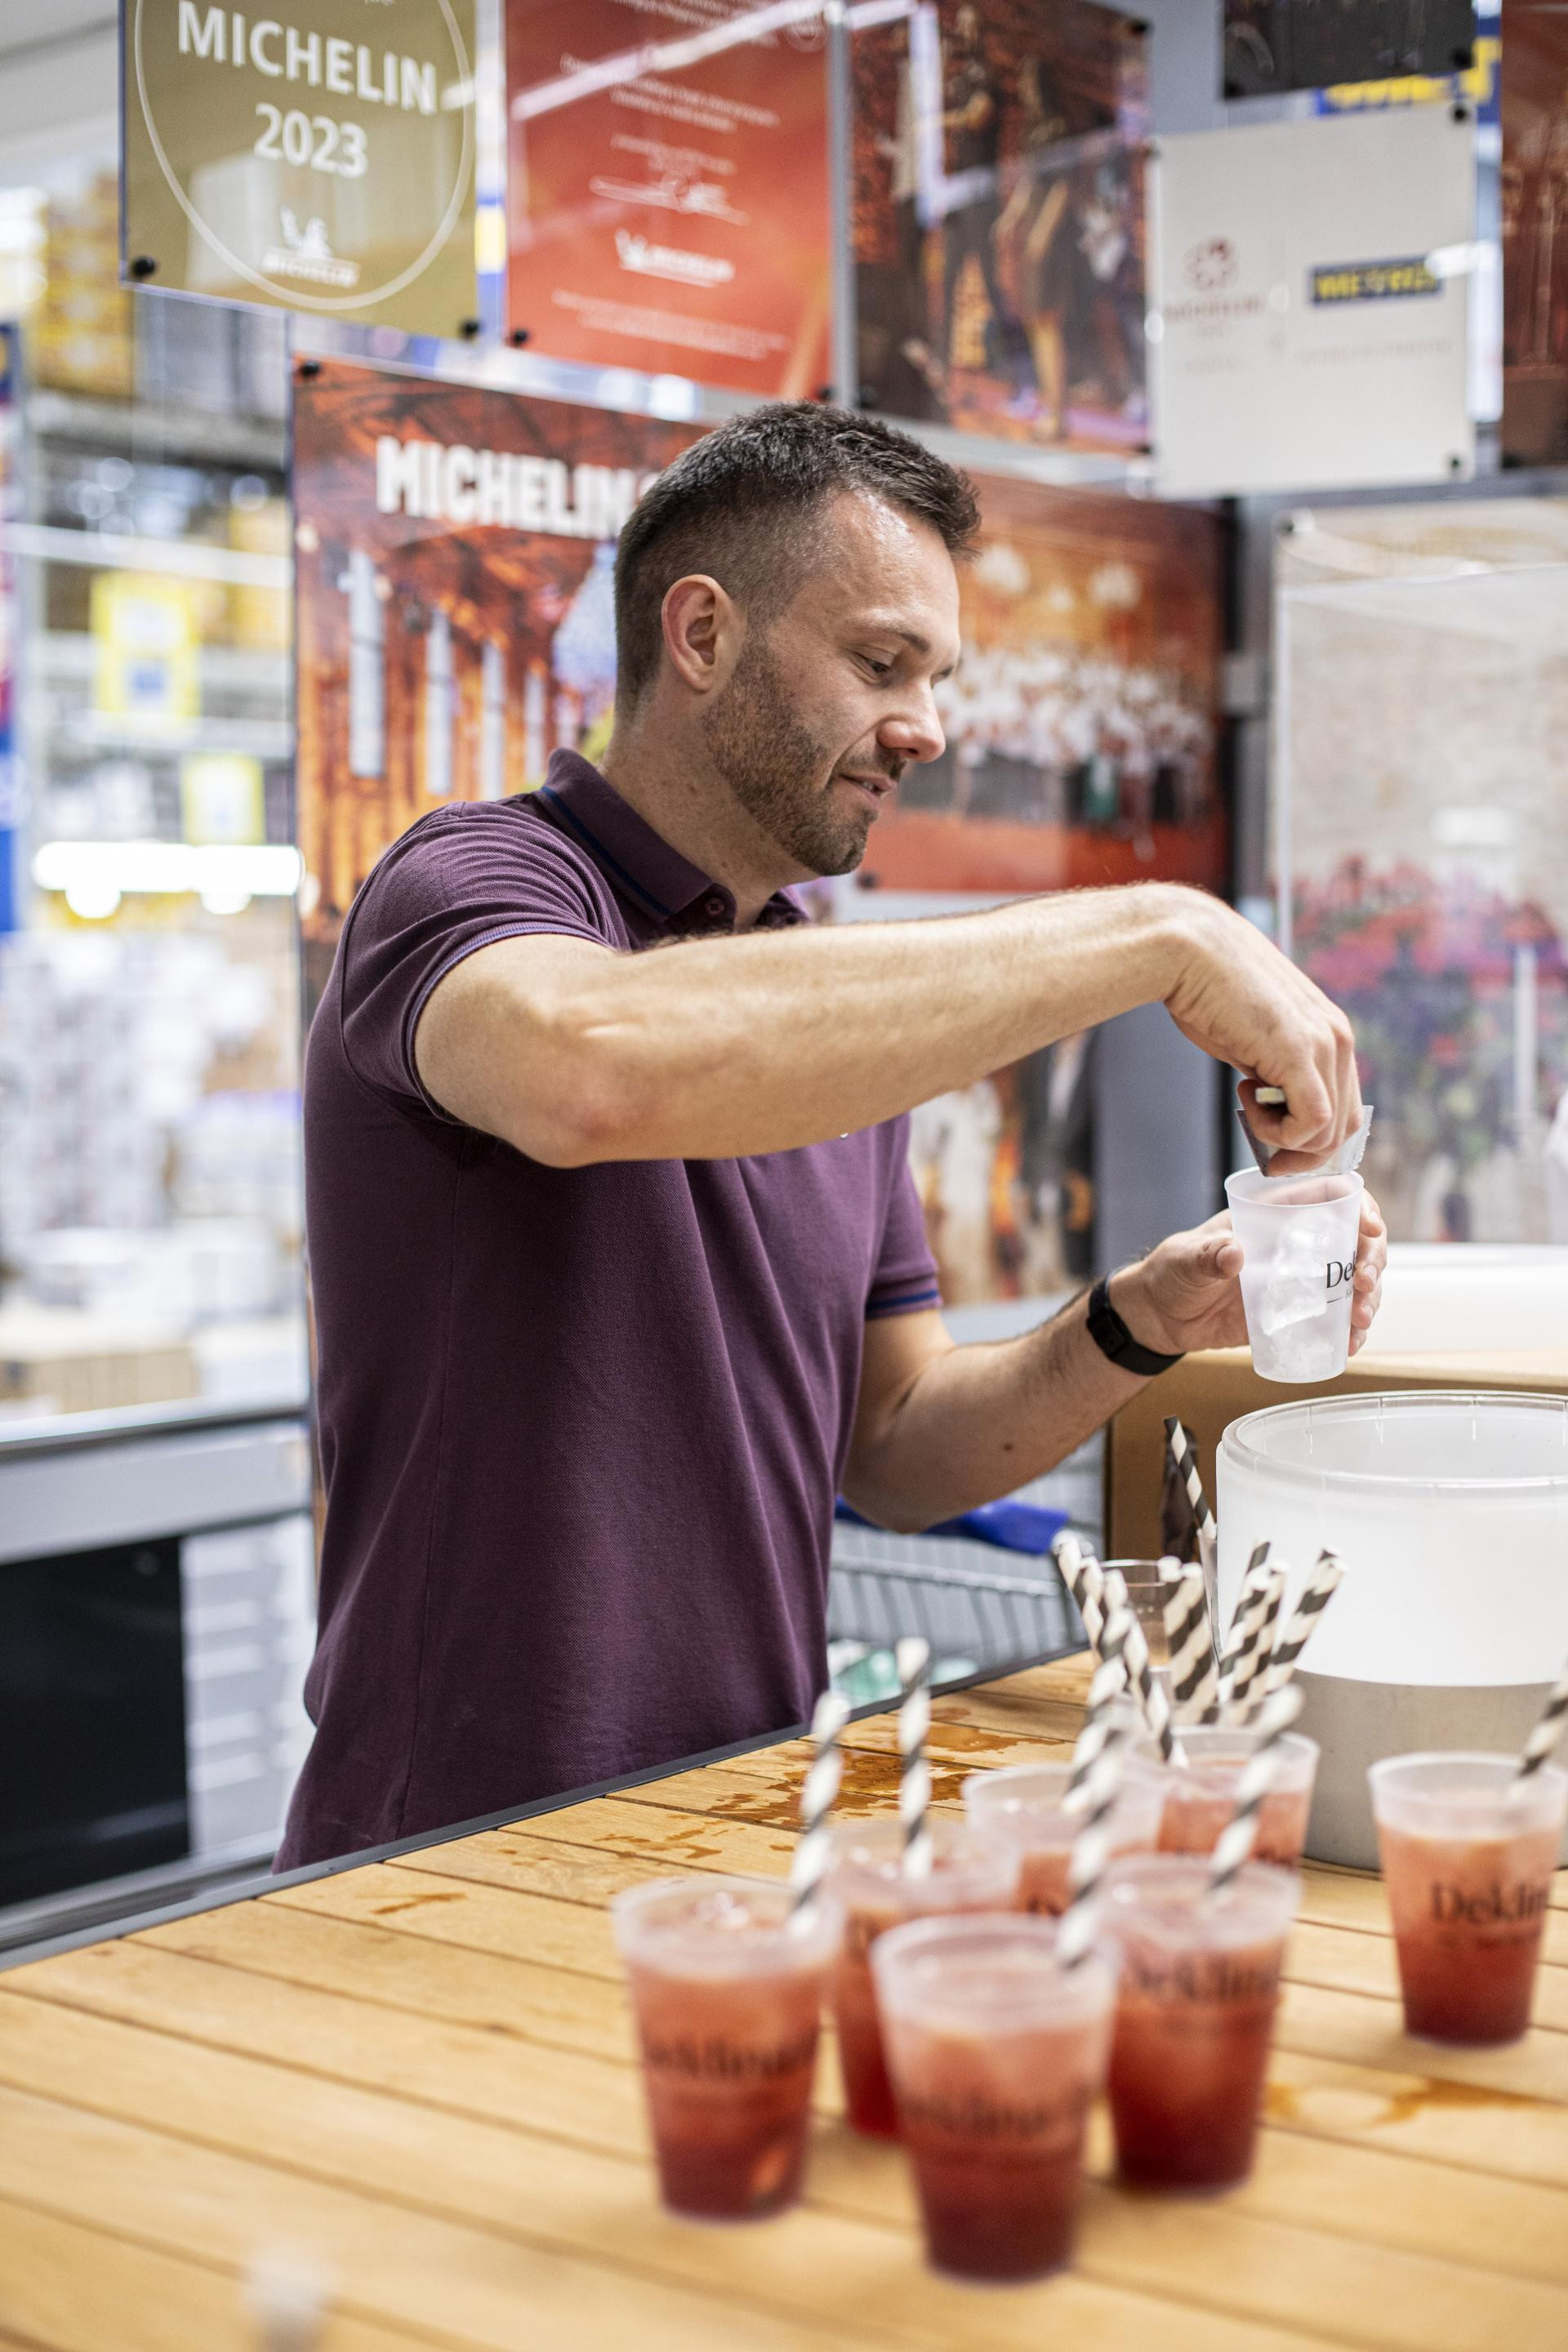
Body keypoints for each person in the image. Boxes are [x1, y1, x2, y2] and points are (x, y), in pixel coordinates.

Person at [278, 403, 1385, 1869]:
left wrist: (1137, 1320)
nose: (926, 728)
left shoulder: (821, 998)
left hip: (739, 1823)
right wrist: (1161, 932)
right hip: (449, 1852)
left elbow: (896, 1449)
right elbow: (584, 1067)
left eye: (937, 678)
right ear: (701, 634)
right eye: (880, 664)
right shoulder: (474, 882)